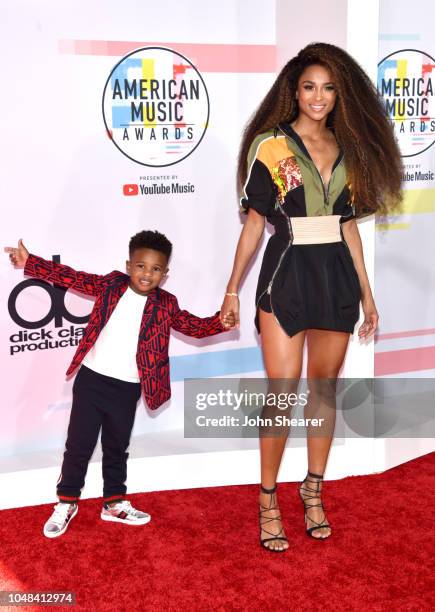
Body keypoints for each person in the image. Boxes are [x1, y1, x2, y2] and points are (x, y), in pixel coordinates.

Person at [220, 42, 402, 551]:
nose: (318, 97)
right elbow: (255, 225)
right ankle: (268, 499)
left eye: (327, 88)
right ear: (293, 91)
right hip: (285, 275)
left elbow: (348, 228)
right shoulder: (269, 145)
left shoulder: (353, 148)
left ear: (340, 94)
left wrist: (368, 295)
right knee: (282, 393)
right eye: (308, 87)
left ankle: (314, 489)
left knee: (323, 390)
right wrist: (232, 289)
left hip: (336, 277)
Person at [6, 231, 235, 538]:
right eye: (141, 266)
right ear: (128, 265)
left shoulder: (166, 304)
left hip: (127, 388)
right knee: (79, 446)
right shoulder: (111, 285)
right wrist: (30, 262)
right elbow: (73, 277)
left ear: (165, 274)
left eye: (155, 269)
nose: (147, 274)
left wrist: (219, 322)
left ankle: (114, 503)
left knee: (117, 447)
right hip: (91, 379)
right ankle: (66, 501)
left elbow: (190, 326)